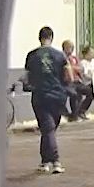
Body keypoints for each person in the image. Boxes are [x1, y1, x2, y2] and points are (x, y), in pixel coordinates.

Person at [24, 28, 69, 173]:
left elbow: (26, 77)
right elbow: (68, 75)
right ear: (51, 37)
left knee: (47, 128)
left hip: (40, 95)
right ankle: (53, 161)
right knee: (49, 128)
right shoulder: (59, 55)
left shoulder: (32, 55)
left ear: (40, 38)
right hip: (57, 95)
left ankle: (48, 161)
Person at [74, 45, 94, 120]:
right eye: (91, 53)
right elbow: (85, 75)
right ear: (86, 54)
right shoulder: (83, 63)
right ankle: (81, 111)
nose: (93, 54)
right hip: (86, 83)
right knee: (91, 93)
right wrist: (93, 75)